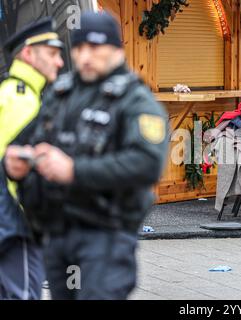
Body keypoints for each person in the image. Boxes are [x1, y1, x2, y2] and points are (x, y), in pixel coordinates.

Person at [3, 11, 169, 300]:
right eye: (79, 48)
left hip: (105, 237)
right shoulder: (62, 94)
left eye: (95, 47)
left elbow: (147, 164)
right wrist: (13, 165)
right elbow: (25, 143)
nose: (84, 56)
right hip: (58, 235)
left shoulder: (135, 99)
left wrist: (74, 171)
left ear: (116, 50)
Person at [0, 18, 64, 300]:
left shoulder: (9, 94)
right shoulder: (23, 102)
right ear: (28, 53)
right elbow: (18, 173)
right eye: (52, 53)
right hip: (16, 229)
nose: (60, 62)